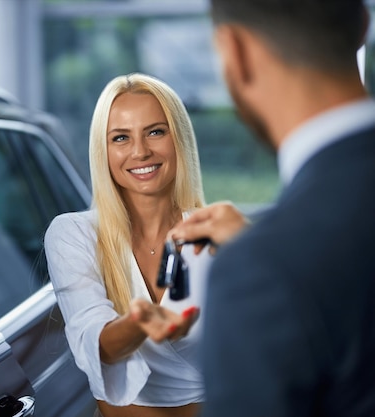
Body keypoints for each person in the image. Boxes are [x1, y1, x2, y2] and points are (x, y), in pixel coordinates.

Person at [168, 0, 375, 415]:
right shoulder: (272, 264)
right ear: (362, 25)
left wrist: (267, 258)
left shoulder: (260, 273)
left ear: (235, 51)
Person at [44, 73, 213, 417]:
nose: (140, 151)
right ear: (102, 151)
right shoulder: (73, 234)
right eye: (121, 137)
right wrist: (140, 322)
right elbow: (97, 343)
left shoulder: (213, 233)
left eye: (155, 131)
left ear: (178, 138)